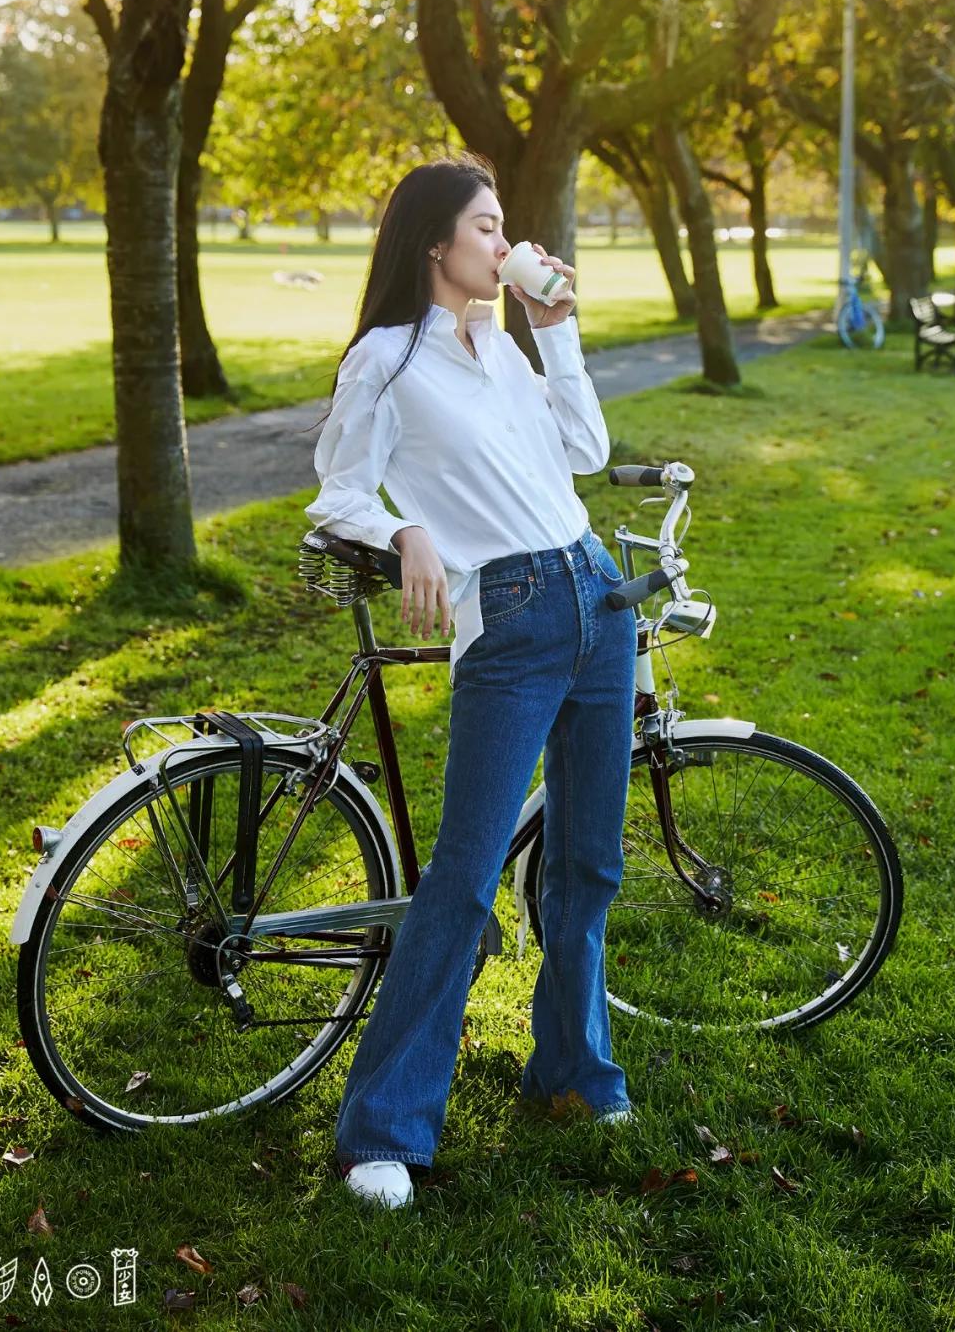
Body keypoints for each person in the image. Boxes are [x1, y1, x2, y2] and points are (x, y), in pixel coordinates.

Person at [305, 152, 638, 1210]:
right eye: (488, 228)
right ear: (436, 242)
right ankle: (382, 1134)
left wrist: (560, 327)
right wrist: (401, 524)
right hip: (515, 615)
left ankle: (572, 1073)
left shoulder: (502, 346)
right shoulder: (384, 359)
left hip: (599, 595)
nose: (506, 244)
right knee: (464, 873)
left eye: (506, 228)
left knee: (586, 863)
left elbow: (585, 448)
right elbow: (335, 493)